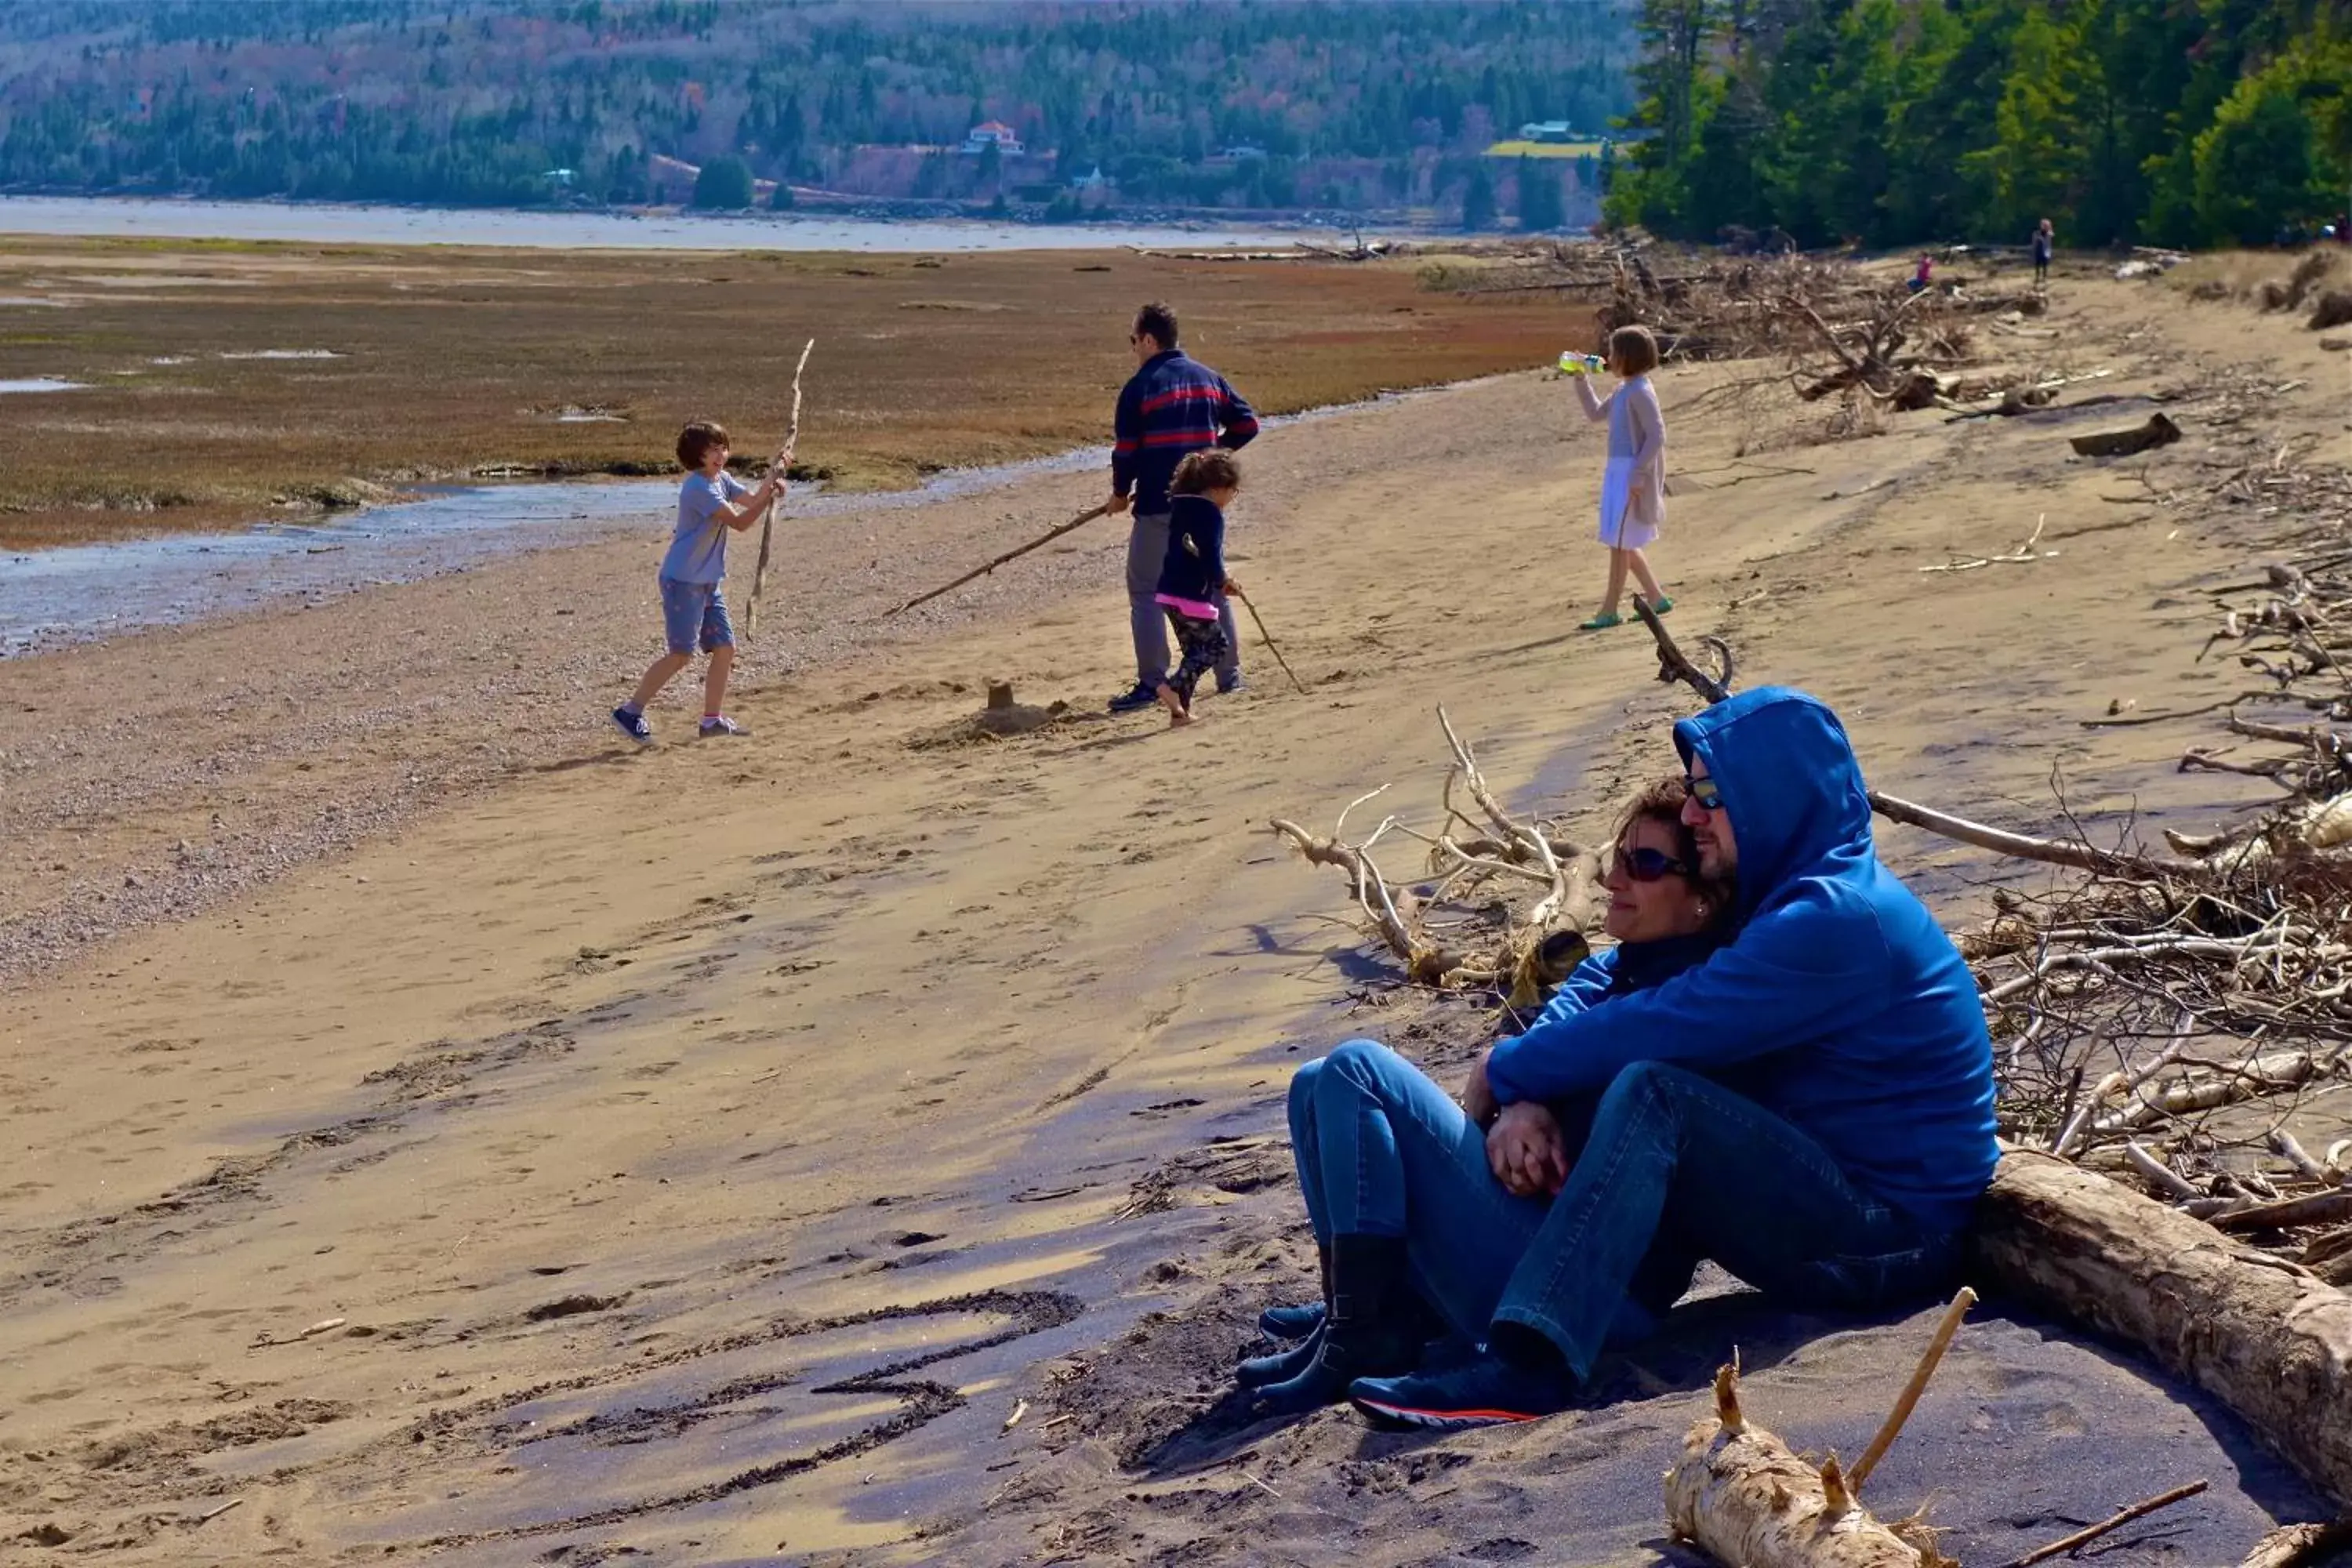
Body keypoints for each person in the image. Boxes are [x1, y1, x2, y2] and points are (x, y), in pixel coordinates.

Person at [1342, 686, 2000, 1429]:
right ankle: (1423, 1305)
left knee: (1656, 1093)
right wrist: (1531, 1087)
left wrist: (1508, 1071)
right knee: (1620, 1088)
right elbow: (1622, 984)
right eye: (1692, 794)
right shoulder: (1790, 897)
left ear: (1774, 797)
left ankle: (1532, 1363)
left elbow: (1663, 1025)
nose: (1691, 816)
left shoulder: (1834, 920)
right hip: (1841, 1206)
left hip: (1893, 1241)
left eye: (1711, 797)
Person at [1240, 776, 1735, 1414]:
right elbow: (1545, 1042)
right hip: (1524, 1238)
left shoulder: (1697, 998)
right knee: (1313, 1081)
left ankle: (1369, 1331)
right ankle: (1357, 1310)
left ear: (1701, 899)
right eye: (1615, 861)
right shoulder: (1612, 968)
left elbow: (1592, 1063)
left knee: (1358, 1069)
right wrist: (1523, 1098)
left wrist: (1518, 1088)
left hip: (1589, 1296)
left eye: (1642, 866)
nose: (1614, 881)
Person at [1105, 302, 1259, 713]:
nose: (1133, 348)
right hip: (1203, 505)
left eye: (1134, 340)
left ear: (1150, 340)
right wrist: (1209, 464)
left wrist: (1120, 495)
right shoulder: (1209, 379)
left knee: (1145, 593)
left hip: (1158, 503)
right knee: (1212, 583)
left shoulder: (1140, 387)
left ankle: (1152, 683)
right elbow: (1247, 425)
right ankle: (1231, 678)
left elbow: (1125, 454)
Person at [612, 420, 789, 744]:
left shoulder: (721, 479)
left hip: (708, 581)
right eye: (711, 451)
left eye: (722, 448)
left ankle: (712, 721)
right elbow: (740, 522)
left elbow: (751, 500)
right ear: (697, 457)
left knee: (725, 647)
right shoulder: (699, 489)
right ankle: (630, 711)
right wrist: (768, 497)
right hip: (683, 581)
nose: (720, 455)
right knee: (681, 655)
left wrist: (775, 475)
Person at [1566, 325, 1671, 632]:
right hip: (1617, 471)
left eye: (1613, 353)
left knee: (1619, 544)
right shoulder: (1624, 389)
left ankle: (1609, 610)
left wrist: (1639, 474)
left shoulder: (1640, 390)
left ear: (1629, 357)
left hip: (1630, 472)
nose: (1608, 358)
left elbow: (1657, 434)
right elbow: (1596, 414)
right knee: (1619, 539)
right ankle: (1656, 597)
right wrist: (1581, 377)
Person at [1150, 449, 1243, 728]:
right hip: (1191, 596)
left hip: (1169, 592)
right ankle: (1173, 688)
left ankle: (1180, 713)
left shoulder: (1181, 506)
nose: (1232, 498)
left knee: (1194, 653)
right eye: (1233, 492)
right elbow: (1210, 555)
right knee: (1216, 646)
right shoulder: (1210, 515)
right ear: (1218, 489)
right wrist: (1223, 581)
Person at [2032, 220, 2054, 288]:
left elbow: (2051, 237)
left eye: (2046, 225)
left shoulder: (2049, 234)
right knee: (2037, 266)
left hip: (2045, 252)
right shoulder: (2037, 233)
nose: (2044, 227)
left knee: (2045, 266)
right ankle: (2037, 278)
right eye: (2043, 225)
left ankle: (2044, 278)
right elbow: (2034, 240)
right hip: (2038, 251)